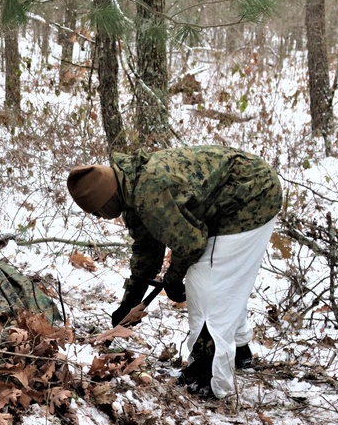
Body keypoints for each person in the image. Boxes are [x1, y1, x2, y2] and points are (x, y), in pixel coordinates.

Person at [66, 145, 282, 399]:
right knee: (217, 277)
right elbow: (148, 251)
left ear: (107, 197)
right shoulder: (132, 188)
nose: (100, 218)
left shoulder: (149, 192)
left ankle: (208, 370)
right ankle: (239, 349)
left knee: (206, 282)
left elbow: (191, 243)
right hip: (236, 195)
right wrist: (131, 300)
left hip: (252, 195)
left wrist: (173, 278)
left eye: (97, 211)